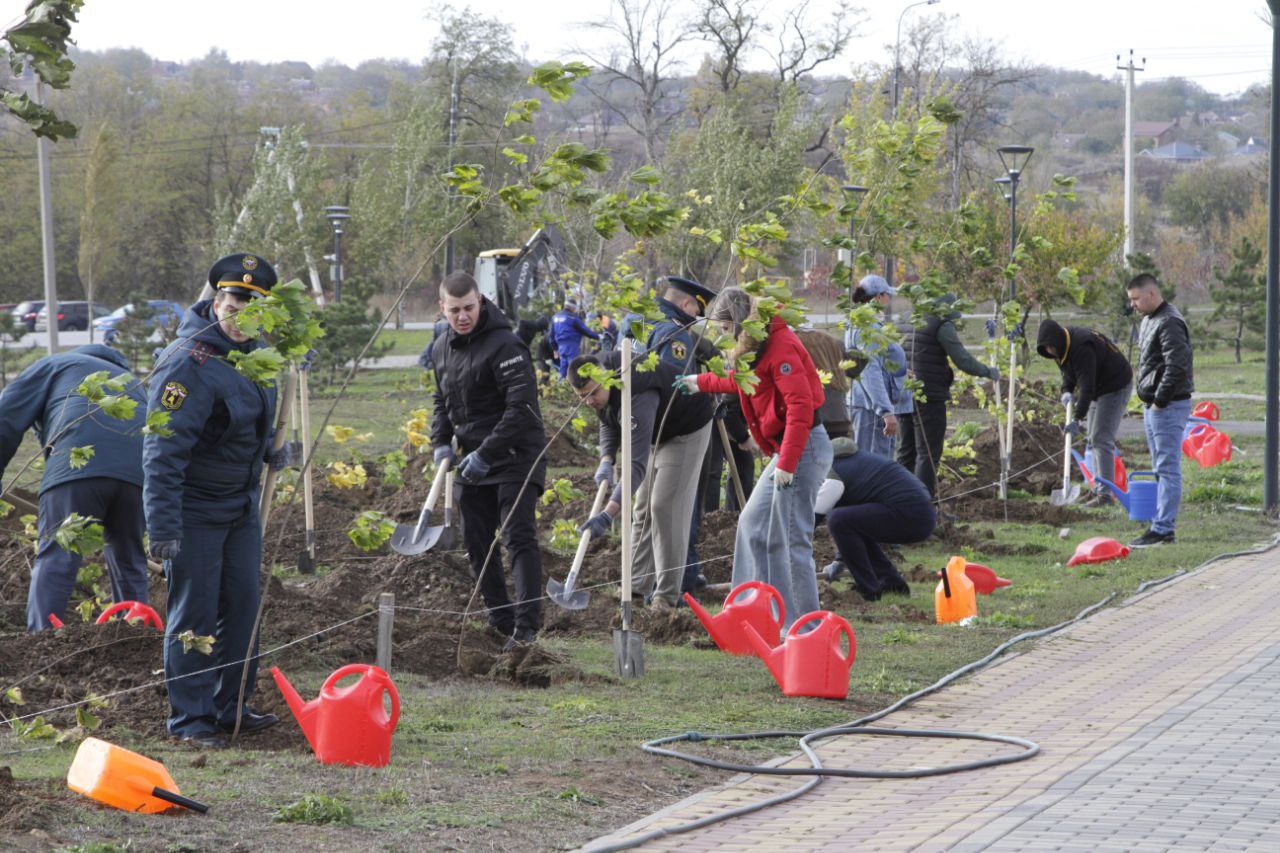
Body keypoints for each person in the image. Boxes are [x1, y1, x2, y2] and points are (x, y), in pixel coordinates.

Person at [144, 252, 293, 749]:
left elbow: (240, 423)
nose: (242, 316)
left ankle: (231, 706)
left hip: (239, 509)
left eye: (253, 308)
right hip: (193, 513)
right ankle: (191, 720)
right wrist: (162, 524)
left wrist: (271, 448)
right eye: (234, 302)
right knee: (196, 613)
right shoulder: (188, 363)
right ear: (217, 300)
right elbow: (162, 451)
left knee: (244, 605)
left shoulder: (255, 356)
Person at [674, 287, 832, 630]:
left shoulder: (781, 345)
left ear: (740, 321)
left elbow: (800, 408)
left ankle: (803, 629)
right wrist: (701, 382)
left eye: (725, 328)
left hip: (803, 449)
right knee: (752, 526)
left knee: (789, 540)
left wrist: (788, 464)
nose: (722, 335)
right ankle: (751, 612)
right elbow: (746, 381)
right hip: (788, 450)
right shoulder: (756, 347)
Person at [429, 271, 547, 645]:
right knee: (476, 540)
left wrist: (486, 453)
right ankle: (501, 619)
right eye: (454, 311)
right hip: (472, 459)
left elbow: (522, 409)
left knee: (518, 537)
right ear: (442, 308)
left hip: (515, 455)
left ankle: (527, 627)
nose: (462, 316)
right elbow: (442, 402)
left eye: (468, 308)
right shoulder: (440, 348)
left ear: (479, 302)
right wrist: (441, 441)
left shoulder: (505, 346)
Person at [0, 343, 150, 632]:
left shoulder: (56, 364)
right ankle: (134, 639)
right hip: (138, 477)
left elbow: (6, 417)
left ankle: (42, 640)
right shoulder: (135, 383)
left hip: (77, 468)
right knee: (129, 559)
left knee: (59, 556)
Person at [570, 350, 713, 609]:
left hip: (685, 429)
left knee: (664, 507)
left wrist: (608, 513)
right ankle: (636, 584)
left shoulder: (636, 392)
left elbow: (635, 465)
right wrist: (606, 459)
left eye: (592, 394)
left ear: (607, 378)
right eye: (582, 397)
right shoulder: (595, 376)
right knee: (642, 507)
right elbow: (608, 418)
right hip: (654, 430)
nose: (589, 401)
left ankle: (666, 595)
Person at [899, 295, 999, 499]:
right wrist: (987, 371)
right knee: (927, 453)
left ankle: (900, 500)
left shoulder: (910, 319)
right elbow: (962, 360)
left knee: (907, 452)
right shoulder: (941, 325)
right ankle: (923, 505)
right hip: (929, 396)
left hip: (905, 393)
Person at [818, 437, 936, 599]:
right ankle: (892, 583)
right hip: (922, 513)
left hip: (911, 514)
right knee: (849, 521)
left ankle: (868, 589)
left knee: (838, 519)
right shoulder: (855, 462)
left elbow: (814, 518)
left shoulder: (832, 472)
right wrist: (840, 558)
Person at [1035, 318, 1133, 507]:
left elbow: (1087, 388)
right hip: (1099, 386)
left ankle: (1105, 496)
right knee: (1093, 440)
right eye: (1046, 349)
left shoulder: (1081, 347)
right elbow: (1068, 373)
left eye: (1051, 347)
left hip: (1115, 385)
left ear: (1057, 341)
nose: (1050, 352)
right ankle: (1097, 490)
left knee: (1101, 439)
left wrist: (1077, 418)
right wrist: (1066, 391)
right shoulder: (1060, 347)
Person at [1126, 273, 1194, 547]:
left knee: (1167, 468)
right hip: (1154, 405)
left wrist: (1160, 401)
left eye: (1136, 298)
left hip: (1167, 405)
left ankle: (1164, 529)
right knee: (1159, 467)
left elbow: (1176, 366)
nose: (1133, 304)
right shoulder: (1149, 320)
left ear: (1152, 294)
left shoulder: (1169, 322)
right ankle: (1160, 523)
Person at [846, 275, 910, 459]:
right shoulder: (868, 327)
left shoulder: (862, 322)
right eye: (887, 295)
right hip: (871, 407)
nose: (889, 299)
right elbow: (870, 370)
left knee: (868, 460)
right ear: (878, 297)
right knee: (874, 463)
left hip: (866, 402)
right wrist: (885, 411)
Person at [549, 298, 599, 378]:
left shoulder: (555, 317)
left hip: (561, 347)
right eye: (575, 308)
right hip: (572, 347)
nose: (575, 310)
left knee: (563, 370)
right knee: (574, 370)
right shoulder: (573, 318)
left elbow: (551, 336)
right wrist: (598, 336)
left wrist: (555, 349)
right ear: (572, 307)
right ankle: (575, 388)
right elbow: (585, 331)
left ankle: (562, 386)